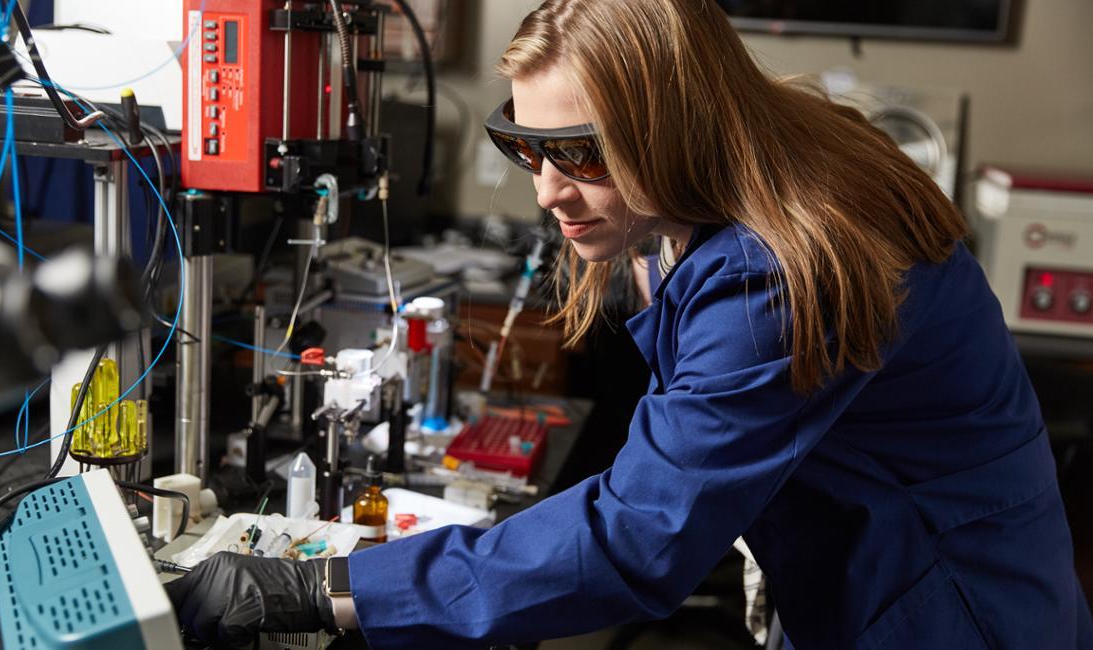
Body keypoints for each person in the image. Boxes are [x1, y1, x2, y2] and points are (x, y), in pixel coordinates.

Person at [163, 1, 1093, 648]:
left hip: (951, 614)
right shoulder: (752, 156)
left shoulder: (777, 271)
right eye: (522, 144)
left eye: (579, 154)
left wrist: (324, 590)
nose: (547, 190)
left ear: (676, 126)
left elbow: (636, 539)